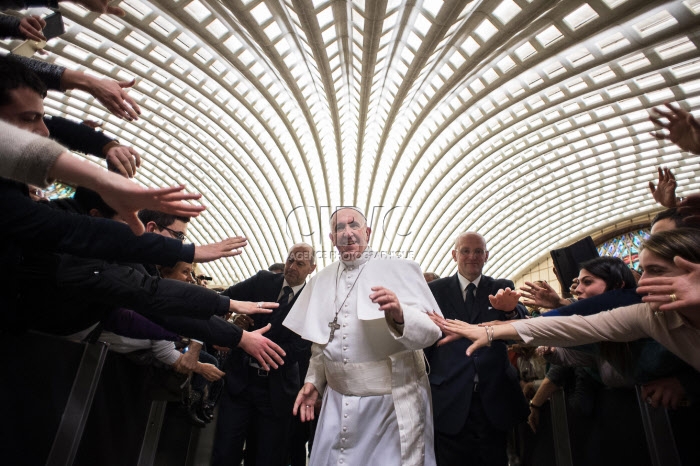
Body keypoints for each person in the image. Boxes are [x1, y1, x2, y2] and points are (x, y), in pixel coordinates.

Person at [284, 207, 441, 466]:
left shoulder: (399, 268)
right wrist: (313, 382)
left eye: (354, 225)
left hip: (389, 407)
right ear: (332, 239)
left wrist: (401, 315)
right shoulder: (320, 281)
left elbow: (431, 333)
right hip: (337, 404)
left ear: (367, 232)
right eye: (339, 228)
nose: (347, 233)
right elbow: (320, 344)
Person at [433, 228, 700, 372]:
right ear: (454, 255)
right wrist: (490, 331)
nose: (644, 283)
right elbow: (577, 326)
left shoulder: (639, 306)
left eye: (656, 271)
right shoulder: (650, 315)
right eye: (643, 271)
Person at [426, 231, 528, 466]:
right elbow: (426, 339)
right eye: (465, 251)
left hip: (494, 398)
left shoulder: (501, 287)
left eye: (478, 251)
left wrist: (511, 311)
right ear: (454, 255)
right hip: (450, 397)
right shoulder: (436, 290)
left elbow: (522, 320)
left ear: (486, 256)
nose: (472, 256)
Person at [212, 244, 316, 466]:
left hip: (276, 392)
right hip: (240, 383)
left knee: (265, 458)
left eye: (300, 263)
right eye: (290, 260)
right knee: (224, 452)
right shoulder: (262, 281)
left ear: (312, 268)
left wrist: (254, 345)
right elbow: (225, 299)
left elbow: (300, 349)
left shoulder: (314, 302)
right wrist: (228, 328)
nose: (292, 267)